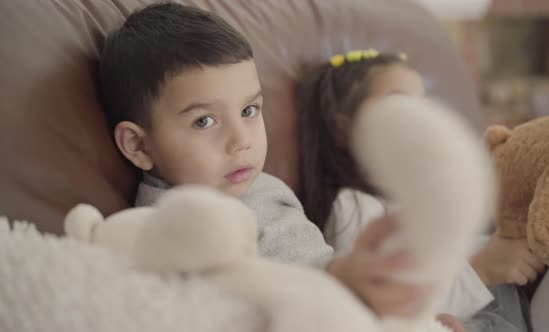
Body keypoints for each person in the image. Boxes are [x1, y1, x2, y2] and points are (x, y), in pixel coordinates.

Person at [97, 2, 441, 323]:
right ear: (139, 145)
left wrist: (355, 282)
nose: (241, 140)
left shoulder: (258, 190)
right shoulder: (154, 228)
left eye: (249, 111)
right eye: (204, 121)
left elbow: (311, 264)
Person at [296, 49, 545, 331]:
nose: (422, 123)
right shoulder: (355, 208)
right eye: (401, 109)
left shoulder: (429, 197)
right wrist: (483, 268)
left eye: (424, 108)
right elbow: (379, 304)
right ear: (345, 130)